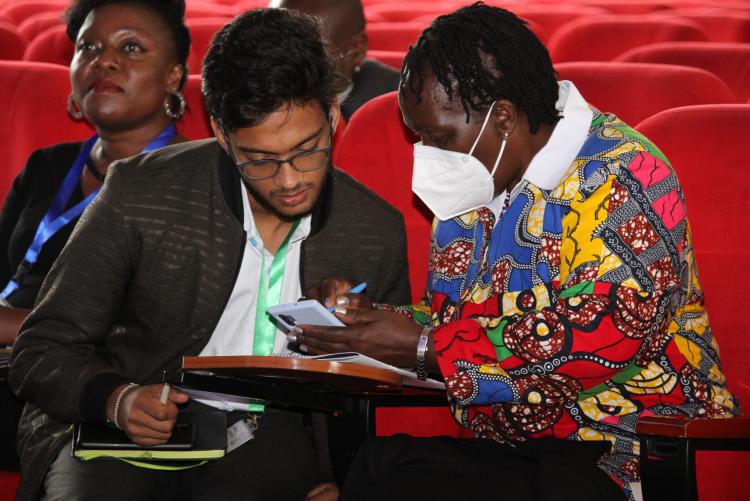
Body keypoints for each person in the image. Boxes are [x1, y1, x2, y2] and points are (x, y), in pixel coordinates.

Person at [292, 3, 739, 501]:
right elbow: (455, 323)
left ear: (502, 118)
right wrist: (366, 322)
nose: (429, 157)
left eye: (439, 138)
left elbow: (610, 330)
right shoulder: (472, 191)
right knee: (378, 467)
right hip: (514, 454)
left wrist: (424, 347)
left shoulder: (622, 173)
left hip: (627, 452)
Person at [9, 7, 409, 501]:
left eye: (308, 149)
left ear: (331, 115)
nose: (290, 180)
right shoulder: (142, 193)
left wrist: (353, 479)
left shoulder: (374, 230)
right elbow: (42, 347)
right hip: (123, 421)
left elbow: (388, 391)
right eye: (260, 159)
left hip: (272, 435)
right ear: (221, 133)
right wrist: (115, 399)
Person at [0, 0, 191, 472]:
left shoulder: (194, 180)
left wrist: (13, 327)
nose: (104, 61)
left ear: (173, 75)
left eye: (131, 48)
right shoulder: (47, 165)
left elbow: (148, 332)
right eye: (87, 47)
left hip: (88, 388)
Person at [274, 0, 400, 121]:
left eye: (308, 48)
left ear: (356, 49)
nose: (283, 58)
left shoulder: (401, 105)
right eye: (274, 43)